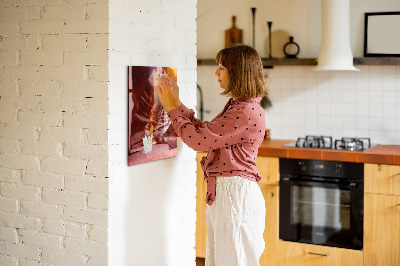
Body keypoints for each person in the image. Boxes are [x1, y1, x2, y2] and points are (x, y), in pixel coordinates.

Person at [155, 44, 267, 266]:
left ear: (238, 72)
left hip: (235, 197)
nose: (217, 73)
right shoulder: (240, 106)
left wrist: (170, 107)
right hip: (230, 195)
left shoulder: (244, 111)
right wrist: (176, 103)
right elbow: (206, 133)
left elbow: (198, 141)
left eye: (222, 67)